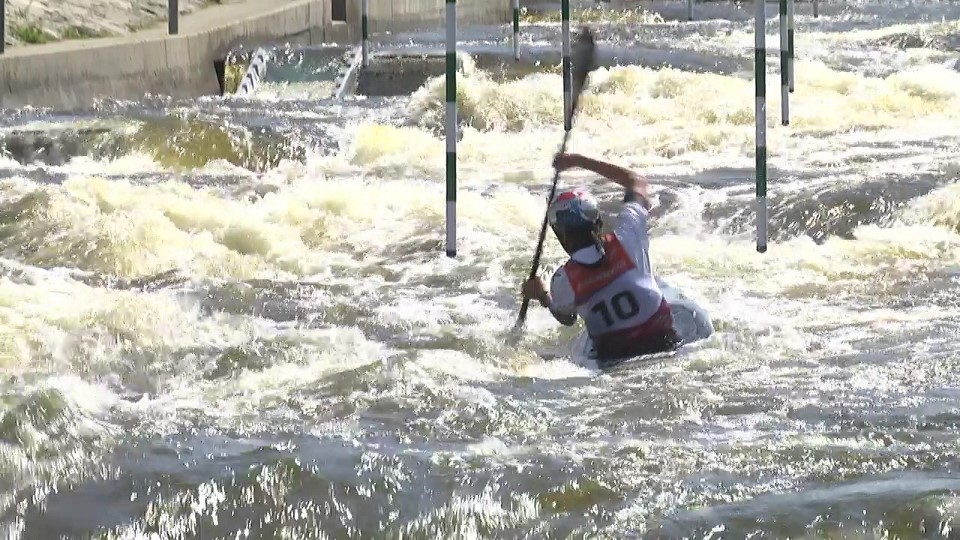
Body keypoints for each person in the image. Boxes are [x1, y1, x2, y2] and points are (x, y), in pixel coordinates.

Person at [521, 152, 680, 362]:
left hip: (614, 360)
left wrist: (543, 295)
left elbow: (567, 317)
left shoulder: (564, 280)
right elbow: (636, 181)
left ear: (562, 237)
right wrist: (579, 161)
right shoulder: (627, 237)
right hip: (665, 344)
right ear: (598, 223)